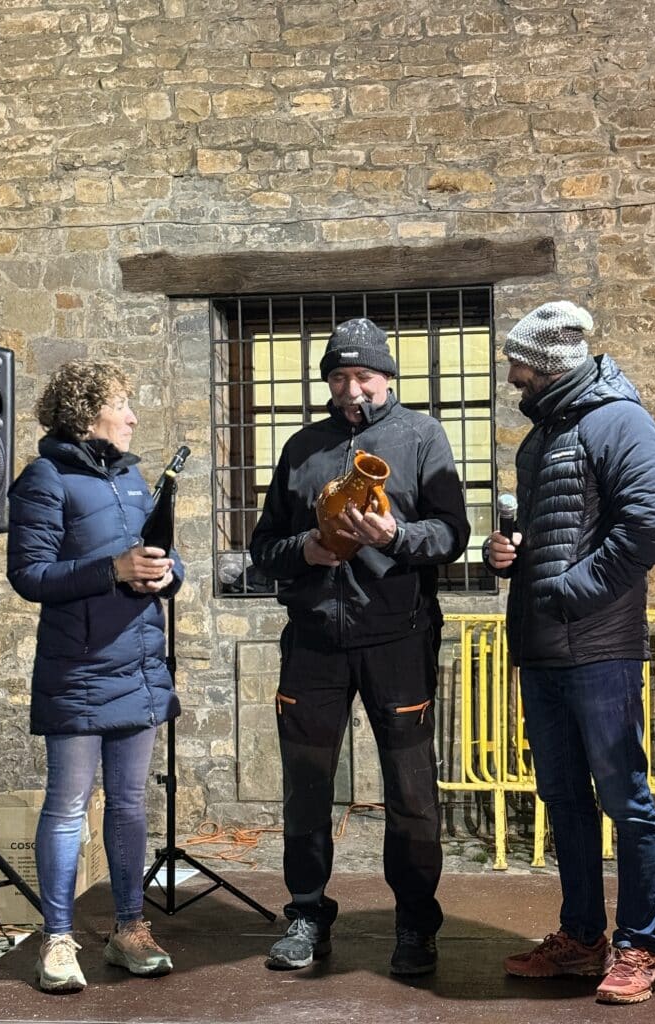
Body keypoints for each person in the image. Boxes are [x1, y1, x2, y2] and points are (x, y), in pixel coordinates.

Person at [249, 317, 470, 976]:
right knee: (307, 786)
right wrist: (307, 550)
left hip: (397, 640)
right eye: (339, 377)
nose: (352, 390)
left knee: (410, 790)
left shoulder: (422, 435)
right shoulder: (302, 447)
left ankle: (414, 924)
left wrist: (394, 536)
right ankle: (308, 912)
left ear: (387, 377)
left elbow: (453, 533)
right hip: (314, 642)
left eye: (364, 376)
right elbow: (263, 550)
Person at [484, 301, 655, 1005]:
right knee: (561, 797)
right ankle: (582, 938)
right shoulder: (542, 440)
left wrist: (565, 589)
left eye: (518, 364)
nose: (511, 377)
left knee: (625, 800)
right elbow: (550, 533)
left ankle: (640, 947)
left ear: (550, 364)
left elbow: (646, 531)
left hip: (599, 647)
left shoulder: (620, 421)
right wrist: (508, 557)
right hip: (541, 647)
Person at [6, 360, 184, 993]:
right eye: (121, 404)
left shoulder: (134, 477)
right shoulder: (44, 480)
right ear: (87, 415)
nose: (134, 415)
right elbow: (29, 576)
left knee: (132, 806)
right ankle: (57, 939)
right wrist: (112, 569)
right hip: (77, 672)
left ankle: (129, 929)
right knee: (67, 807)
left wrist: (170, 573)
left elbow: (163, 555)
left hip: (137, 669)